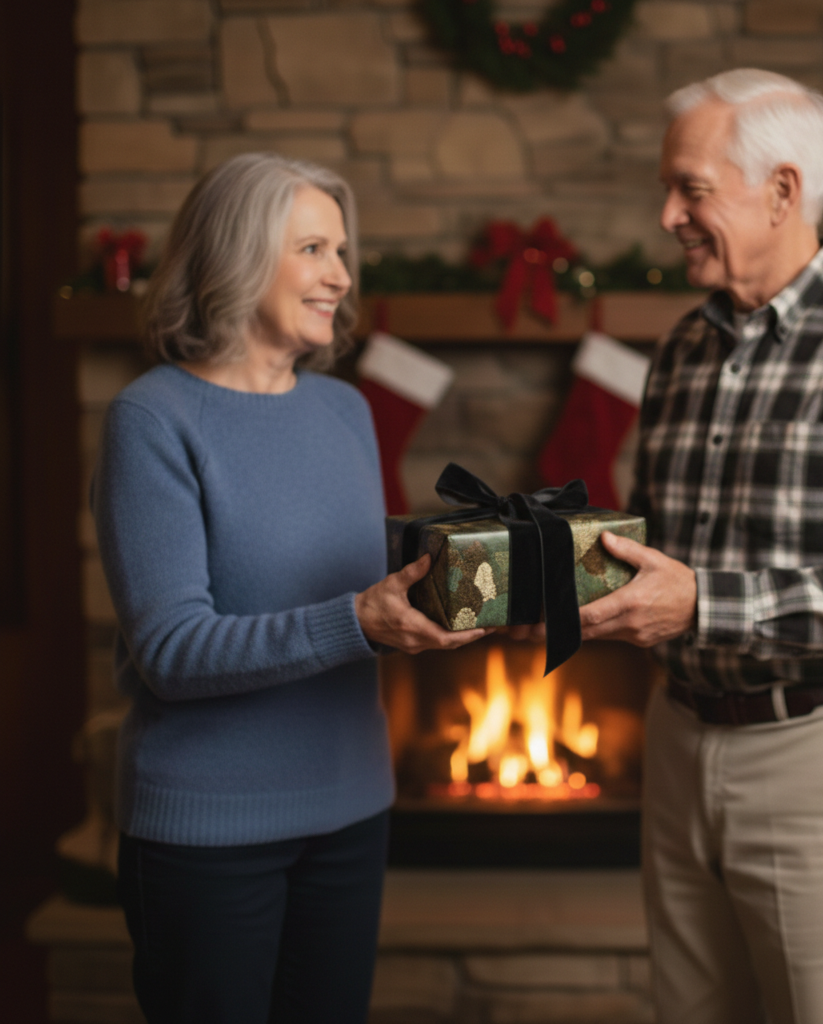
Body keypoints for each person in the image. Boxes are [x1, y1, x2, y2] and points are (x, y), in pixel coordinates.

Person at [577, 70, 823, 1023]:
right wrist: (541, 580)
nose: (667, 213)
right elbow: (659, 549)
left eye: (691, 189)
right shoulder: (678, 349)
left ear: (782, 192)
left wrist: (706, 603)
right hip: (680, 738)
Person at [91, 152, 489, 1024]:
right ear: (237, 255)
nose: (342, 278)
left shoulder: (344, 409)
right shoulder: (153, 419)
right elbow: (170, 650)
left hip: (351, 811)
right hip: (207, 833)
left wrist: (490, 572)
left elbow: (346, 553)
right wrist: (359, 621)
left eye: (342, 253)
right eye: (315, 249)